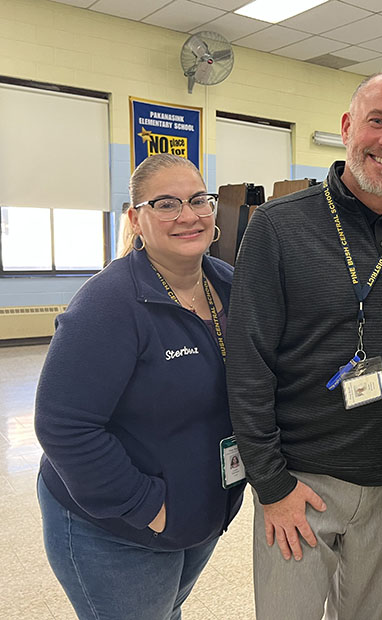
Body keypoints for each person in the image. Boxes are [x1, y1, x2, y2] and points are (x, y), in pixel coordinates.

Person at [226, 70, 382, 620]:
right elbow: (247, 362)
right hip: (298, 481)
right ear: (348, 126)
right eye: (377, 121)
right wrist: (271, 484)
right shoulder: (277, 228)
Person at [35, 153, 244, 620]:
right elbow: (63, 426)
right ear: (136, 218)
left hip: (201, 513)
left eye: (197, 200)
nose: (188, 216)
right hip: (117, 528)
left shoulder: (228, 286)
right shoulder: (108, 304)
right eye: (166, 204)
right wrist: (149, 508)